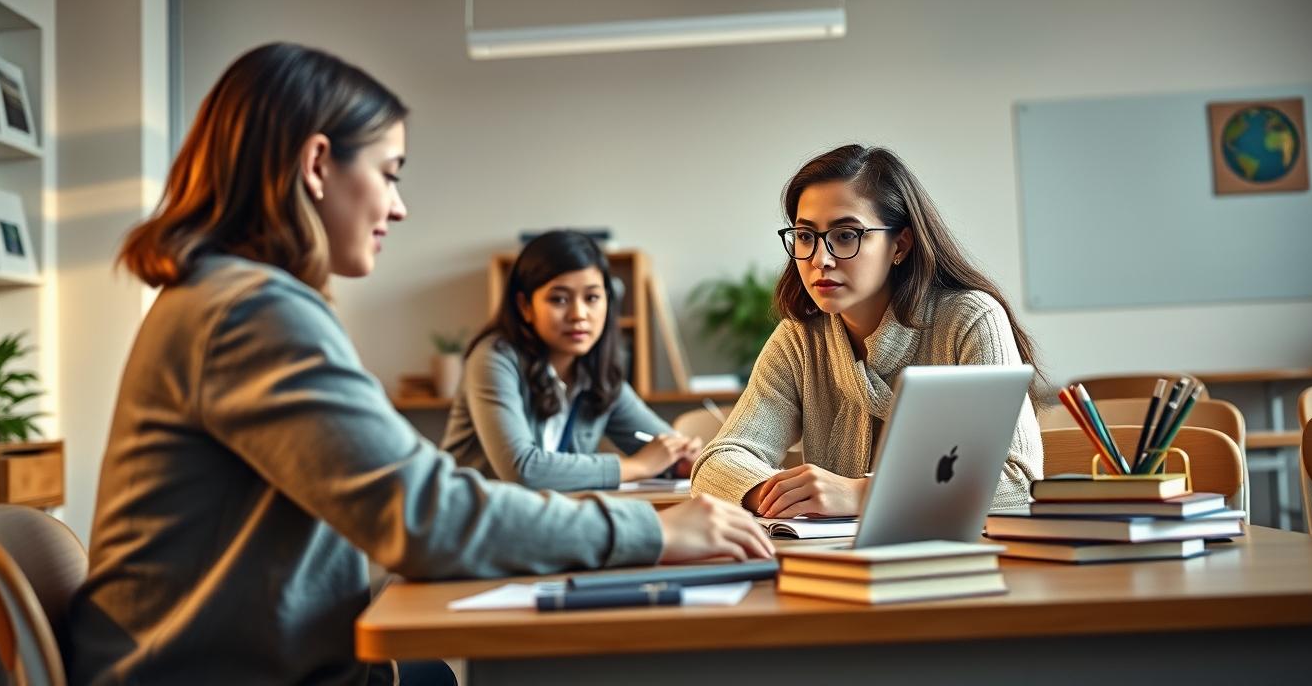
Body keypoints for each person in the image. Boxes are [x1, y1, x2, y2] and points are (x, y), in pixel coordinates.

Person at [68, 43, 770, 686]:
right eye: (388, 173)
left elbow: (406, 495)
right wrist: (654, 531)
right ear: (316, 166)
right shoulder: (251, 311)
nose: (398, 208)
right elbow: (421, 513)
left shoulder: (230, 297)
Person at [691, 144, 1044, 518]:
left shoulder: (970, 320)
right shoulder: (800, 338)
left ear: (900, 245)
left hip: (954, 560)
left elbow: (1018, 483)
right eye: (806, 236)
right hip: (833, 561)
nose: (820, 260)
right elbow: (718, 462)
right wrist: (782, 493)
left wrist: (863, 495)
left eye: (846, 235)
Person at [441, 230, 701, 491]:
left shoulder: (598, 373)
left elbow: (665, 447)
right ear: (525, 307)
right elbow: (523, 471)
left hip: (542, 521)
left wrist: (680, 460)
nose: (579, 314)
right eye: (559, 299)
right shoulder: (493, 358)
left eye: (592, 298)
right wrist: (639, 466)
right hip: (473, 525)